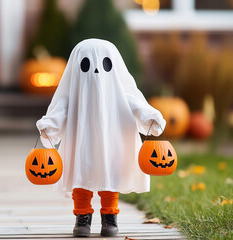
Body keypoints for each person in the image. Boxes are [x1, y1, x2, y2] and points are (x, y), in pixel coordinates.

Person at [36, 39, 165, 237]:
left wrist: (150, 117)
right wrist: (50, 125)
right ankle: (82, 216)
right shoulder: (73, 94)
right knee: (81, 174)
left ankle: (109, 216)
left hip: (111, 141)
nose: (96, 71)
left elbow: (135, 103)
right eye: (86, 64)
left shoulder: (120, 94)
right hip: (82, 141)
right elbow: (61, 107)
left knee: (110, 175)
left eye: (105, 64)